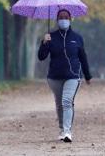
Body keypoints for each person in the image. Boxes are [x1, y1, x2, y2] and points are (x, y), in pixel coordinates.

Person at [38, 9, 92, 143]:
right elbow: (41, 57)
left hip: (73, 76)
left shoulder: (77, 38)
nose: (63, 20)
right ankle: (62, 129)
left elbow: (83, 57)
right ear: (57, 20)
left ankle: (68, 132)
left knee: (67, 101)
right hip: (54, 77)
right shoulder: (50, 37)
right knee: (59, 104)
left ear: (70, 19)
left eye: (66, 17)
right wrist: (44, 43)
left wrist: (87, 75)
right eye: (61, 17)